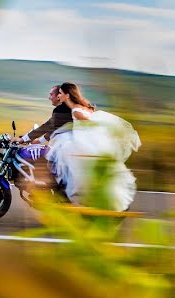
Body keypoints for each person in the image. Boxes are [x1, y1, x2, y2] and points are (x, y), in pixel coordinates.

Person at [47, 82, 141, 211]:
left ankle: (69, 200)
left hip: (83, 144)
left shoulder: (76, 110)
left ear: (67, 95)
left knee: (63, 164)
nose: (59, 96)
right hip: (82, 142)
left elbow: (92, 123)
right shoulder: (78, 108)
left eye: (61, 93)